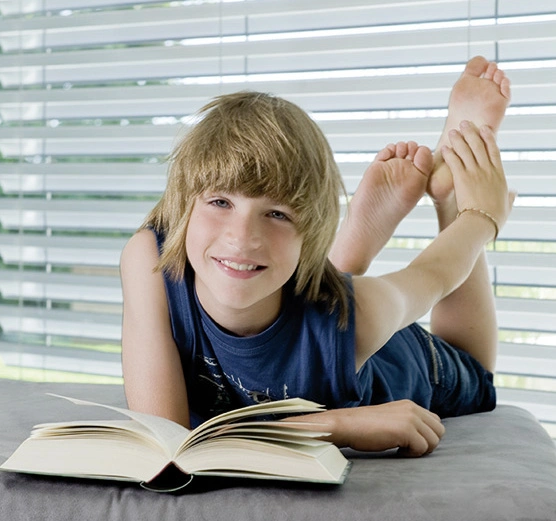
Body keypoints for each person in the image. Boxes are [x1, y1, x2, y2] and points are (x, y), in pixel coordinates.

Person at [120, 56, 514, 457]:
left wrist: (480, 217)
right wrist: (337, 424)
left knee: (475, 373)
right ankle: (348, 252)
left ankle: (449, 191)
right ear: (182, 206)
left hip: (383, 354)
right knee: (308, 306)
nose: (241, 237)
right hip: (312, 320)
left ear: (309, 235)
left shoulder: (362, 316)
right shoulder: (150, 260)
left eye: (276, 213)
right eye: (220, 201)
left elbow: (432, 275)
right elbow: (168, 444)